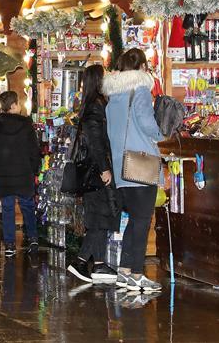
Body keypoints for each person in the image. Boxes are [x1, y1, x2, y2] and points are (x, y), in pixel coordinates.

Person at [104, 49, 164, 292]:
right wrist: (163, 133)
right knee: (141, 221)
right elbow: (148, 123)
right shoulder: (139, 91)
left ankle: (125, 271)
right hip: (141, 162)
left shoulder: (112, 96)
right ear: (141, 67)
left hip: (122, 166)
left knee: (133, 221)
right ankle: (137, 273)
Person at [67, 64, 119, 284]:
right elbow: (97, 143)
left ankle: (98, 264)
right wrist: (105, 168)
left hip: (93, 170)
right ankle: (79, 261)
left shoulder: (91, 105)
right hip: (96, 170)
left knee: (100, 216)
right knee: (101, 216)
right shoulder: (95, 107)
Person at [0, 91, 41, 257]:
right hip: (23, 172)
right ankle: (32, 239)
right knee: (27, 206)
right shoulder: (26, 125)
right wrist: (34, 169)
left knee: (8, 208)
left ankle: (9, 244)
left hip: (3, 174)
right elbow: (33, 150)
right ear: (14, 105)